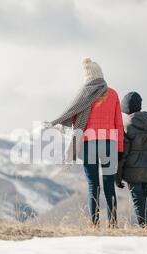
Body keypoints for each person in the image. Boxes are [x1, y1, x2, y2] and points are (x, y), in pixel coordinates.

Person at [47, 58, 124, 228]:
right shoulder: (113, 94)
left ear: (87, 76)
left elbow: (73, 115)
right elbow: (119, 123)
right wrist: (119, 148)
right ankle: (113, 222)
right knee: (108, 184)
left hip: (89, 144)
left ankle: (94, 222)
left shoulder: (82, 94)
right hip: (109, 143)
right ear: (100, 74)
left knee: (93, 185)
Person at [116, 92, 147, 228]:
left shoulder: (126, 126)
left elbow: (123, 154)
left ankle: (145, 228)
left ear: (126, 109)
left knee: (138, 201)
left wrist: (118, 177)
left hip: (132, 172)